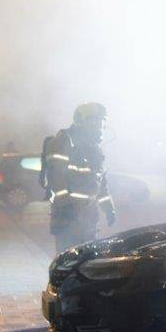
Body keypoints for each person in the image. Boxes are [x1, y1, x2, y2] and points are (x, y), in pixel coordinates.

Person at [46, 103, 116, 252]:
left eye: (101, 122)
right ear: (81, 121)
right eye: (94, 121)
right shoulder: (64, 141)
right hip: (68, 217)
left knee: (87, 264)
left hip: (89, 219)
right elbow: (56, 177)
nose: (99, 126)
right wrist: (65, 206)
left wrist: (109, 208)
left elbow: (101, 183)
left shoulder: (94, 149)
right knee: (67, 263)